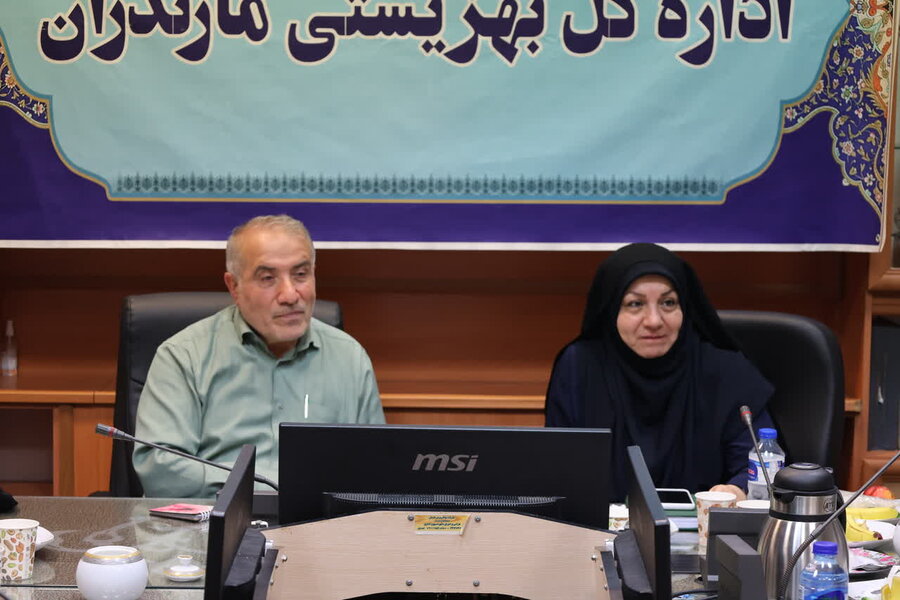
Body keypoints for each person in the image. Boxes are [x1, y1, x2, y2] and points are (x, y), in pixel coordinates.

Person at [134, 215, 385, 497]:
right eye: (268, 278)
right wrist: (278, 486)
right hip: (213, 517)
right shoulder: (183, 356)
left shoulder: (350, 357)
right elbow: (161, 470)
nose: (290, 295)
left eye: (301, 274)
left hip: (320, 520)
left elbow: (376, 468)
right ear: (234, 287)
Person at [545, 243, 774, 502]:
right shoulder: (579, 365)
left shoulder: (726, 369)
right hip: (599, 525)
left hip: (707, 523)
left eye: (668, 302)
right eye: (635, 304)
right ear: (610, 309)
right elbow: (558, 466)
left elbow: (760, 464)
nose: (654, 321)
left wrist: (736, 490)